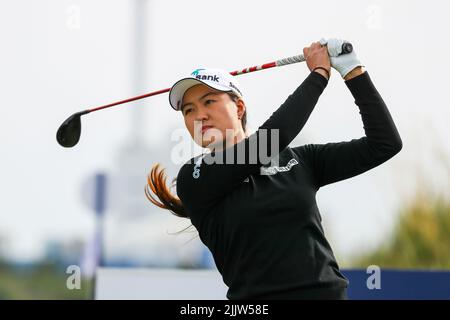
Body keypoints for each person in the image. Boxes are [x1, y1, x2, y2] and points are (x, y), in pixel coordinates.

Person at [145, 39, 402, 299]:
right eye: (189, 110)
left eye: (209, 101)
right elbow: (265, 144)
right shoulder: (196, 175)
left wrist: (352, 70)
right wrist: (319, 75)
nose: (199, 115)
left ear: (239, 107)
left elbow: (384, 144)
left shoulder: (300, 161)